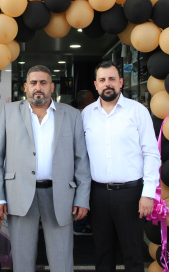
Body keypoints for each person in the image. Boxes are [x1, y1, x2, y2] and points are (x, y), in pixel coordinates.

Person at [0, 65, 91, 272]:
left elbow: (81, 160)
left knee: (62, 259)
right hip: (20, 193)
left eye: (43, 83)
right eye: (33, 83)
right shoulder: (9, 112)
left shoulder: (71, 114)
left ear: (52, 87)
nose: (38, 87)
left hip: (60, 194)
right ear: (25, 87)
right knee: (22, 259)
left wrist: (82, 198)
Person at [81, 60, 161, 272]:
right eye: (102, 80)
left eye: (112, 79)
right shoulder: (86, 114)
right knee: (102, 254)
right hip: (98, 194)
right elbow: (81, 157)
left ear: (121, 82)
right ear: (96, 85)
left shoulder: (137, 111)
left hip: (131, 195)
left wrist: (148, 194)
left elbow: (151, 153)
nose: (107, 84)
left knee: (133, 254)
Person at [74, 89, 95, 236]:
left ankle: (80, 223)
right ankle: (79, 224)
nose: (94, 100)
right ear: (86, 101)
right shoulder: (83, 114)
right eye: (91, 98)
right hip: (83, 160)